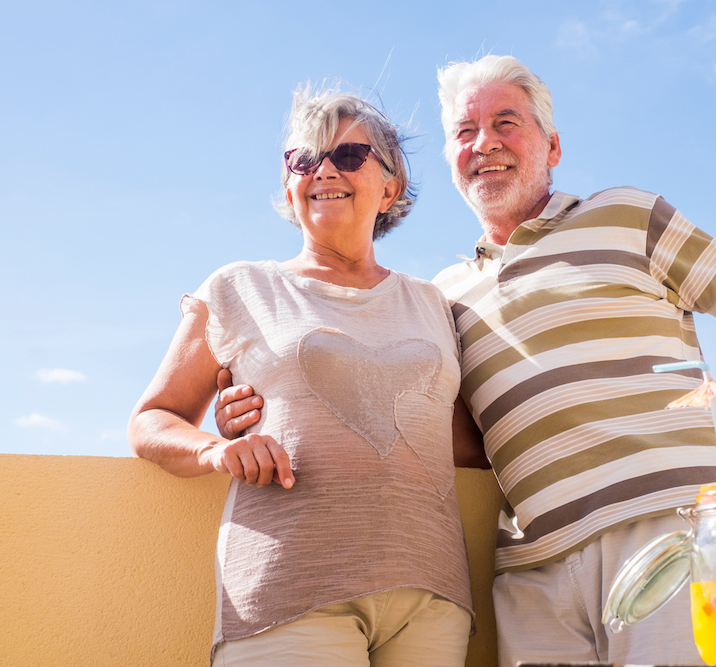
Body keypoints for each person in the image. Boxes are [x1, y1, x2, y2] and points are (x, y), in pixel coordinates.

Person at [218, 56, 716, 667]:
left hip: (672, 528)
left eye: (505, 123)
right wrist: (264, 409)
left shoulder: (630, 216)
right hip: (532, 570)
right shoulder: (439, 300)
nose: (484, 143)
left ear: (552, 146)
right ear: (450, 159)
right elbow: (421, 425)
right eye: (465, 131)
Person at [129, 84, 478, 667]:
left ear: (390, 187)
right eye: (303, 158)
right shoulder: (239, 288)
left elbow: (461, 441)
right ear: (289, 183)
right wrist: (219, 450)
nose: (323, 171)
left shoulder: (435, 305)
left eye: (347, 156)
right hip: (288, 590)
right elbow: (150, 420)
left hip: (432, 592)